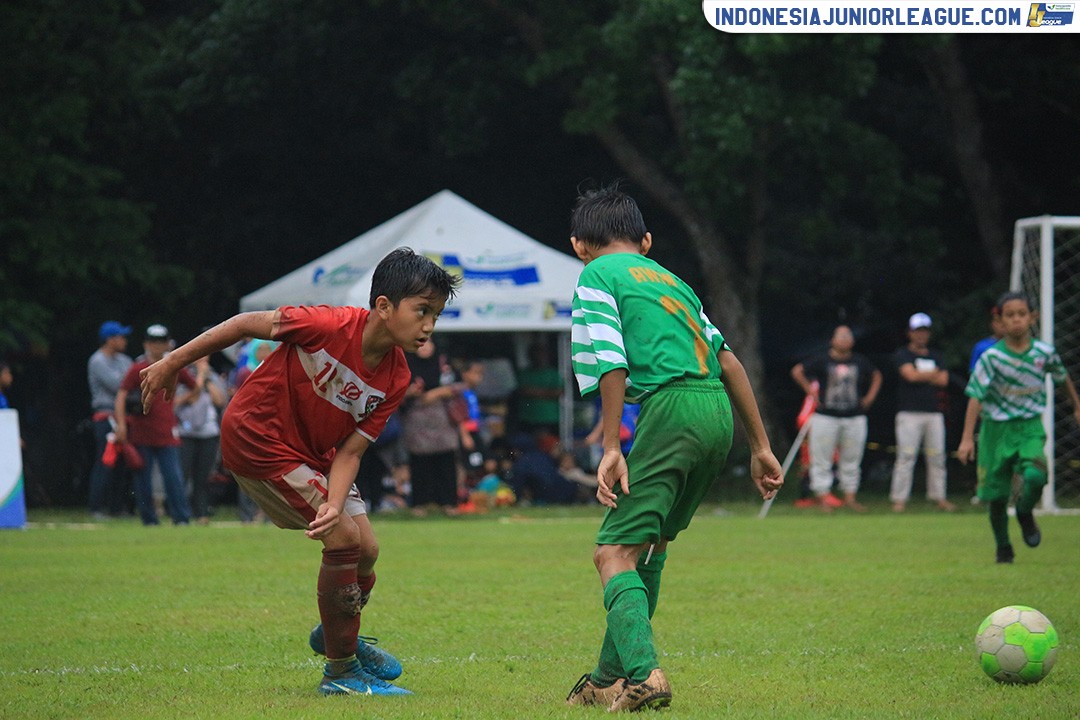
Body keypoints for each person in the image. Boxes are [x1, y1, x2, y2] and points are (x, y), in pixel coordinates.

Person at [139, 247, 460, 697]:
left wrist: (333, 504)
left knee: (366, 548)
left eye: (436, 315)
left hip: (312, 456)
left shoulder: (396, 377)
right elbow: (242, 324)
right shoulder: (328, 324)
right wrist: (174, 361)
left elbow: (351, 451)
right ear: (383, 307)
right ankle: (341, 672)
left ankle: (335, 631)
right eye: (422, 310)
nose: (429, 325)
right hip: (257, 440)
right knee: (345, 538)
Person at [564, 186, 782, 712]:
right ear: (646, 240)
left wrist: (612, 443)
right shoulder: (672, 280)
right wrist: (761, 447)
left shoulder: (595, 275)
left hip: (671, 411)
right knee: (651, 546)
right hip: (715, 413)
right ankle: (605, 678)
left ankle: (644, 675)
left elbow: (611, 361)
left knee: (611, 552)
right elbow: (728, 360)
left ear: (578, 245)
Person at [957, 292, 1080, 564]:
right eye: (1009, 315)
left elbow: (1062, 378)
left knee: (1036, 476)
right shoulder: (991, 358)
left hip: (1029, 427)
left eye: (1021, 314)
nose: (1016, 320)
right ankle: (1003, 548)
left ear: (1032, 317)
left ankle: (1025, 512)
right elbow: (975, 395)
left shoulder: (1043, 353)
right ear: (999, 320)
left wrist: (1076, 405)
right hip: (995, 431)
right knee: (997, 496)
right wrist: (967, 439)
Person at [790, 325, 882, 512]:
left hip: (854, 417)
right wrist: (811, 392)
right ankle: (822, 496)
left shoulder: (859, 361)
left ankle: (850, 496)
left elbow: (876, 375)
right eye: (840, 336)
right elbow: (797, 371)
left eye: (848, 336)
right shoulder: (822, 359)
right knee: (821, 458)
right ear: (832, 340)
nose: (844, 339)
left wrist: (869, 398)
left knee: (852, 458)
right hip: (826, 416)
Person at [115, 324, 194, 526]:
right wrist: (121, 424)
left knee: (173, 478)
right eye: (153, 342)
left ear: (167, 344)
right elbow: (122, 395)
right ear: (146, 344)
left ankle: (181, 517)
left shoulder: (174, 365)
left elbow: (195, 387)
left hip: (166, 430)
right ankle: (149, 519)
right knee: (143, 480)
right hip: (142, 432)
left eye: (161, 342)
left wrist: (178, 401)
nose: (157, 346)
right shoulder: (137, 368)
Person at [889, 312, 956, 512]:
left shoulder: (936, 355)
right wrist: (931, 374)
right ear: (910, 333)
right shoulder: (902, 354)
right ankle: (899, 499)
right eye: (917, 331)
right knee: (906, 456)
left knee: (937, 456)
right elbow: (909, 376)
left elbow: (943, 380)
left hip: (933, 413)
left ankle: (939, 497)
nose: (921, 335)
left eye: (924, 331)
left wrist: (921, 375)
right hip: (909, 413)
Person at [402, 337, 468, 514]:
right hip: (417, 421)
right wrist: (409, 393)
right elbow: (394, 392)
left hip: (443, 420)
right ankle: (420, 504)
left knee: (446, 462)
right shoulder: (406, 365)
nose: (424, 348)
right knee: (420, 463)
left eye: (428, 343)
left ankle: (449, 503)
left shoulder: (444, 365)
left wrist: (438, 393)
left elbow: (460, 386)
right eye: (420, 344)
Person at [87, 320, 134, 519]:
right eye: (121, 336)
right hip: (106, 417)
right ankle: (96, 507)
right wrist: (131, 385)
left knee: (122, 464)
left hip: (124, 415)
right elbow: (121, 385)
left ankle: (117, 508)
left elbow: (134, 381)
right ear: (109, 339)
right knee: (105, 462)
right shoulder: (97, 361)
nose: (124, 340)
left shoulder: (124, 360)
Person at [174, 355, 228, 524]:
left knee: (203, 476)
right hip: (186, 432)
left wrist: (206, 379)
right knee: (182, 474)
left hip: (209, 434)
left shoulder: (213, 376)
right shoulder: (183, 375)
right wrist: (199, 377)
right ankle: (180, 512)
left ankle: (201, 512)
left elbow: (220, 400)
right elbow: (190, 396)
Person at [515, 341, 564, 434]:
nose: (538, 357)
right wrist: (547, 392)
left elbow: (559, 392)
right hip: (528, 419)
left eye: (541, 354)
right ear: (529, 356)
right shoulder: (524, 373)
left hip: (550, 418)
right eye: (535, 354)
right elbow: (523, 391)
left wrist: (534, 392)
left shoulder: (554, 373)